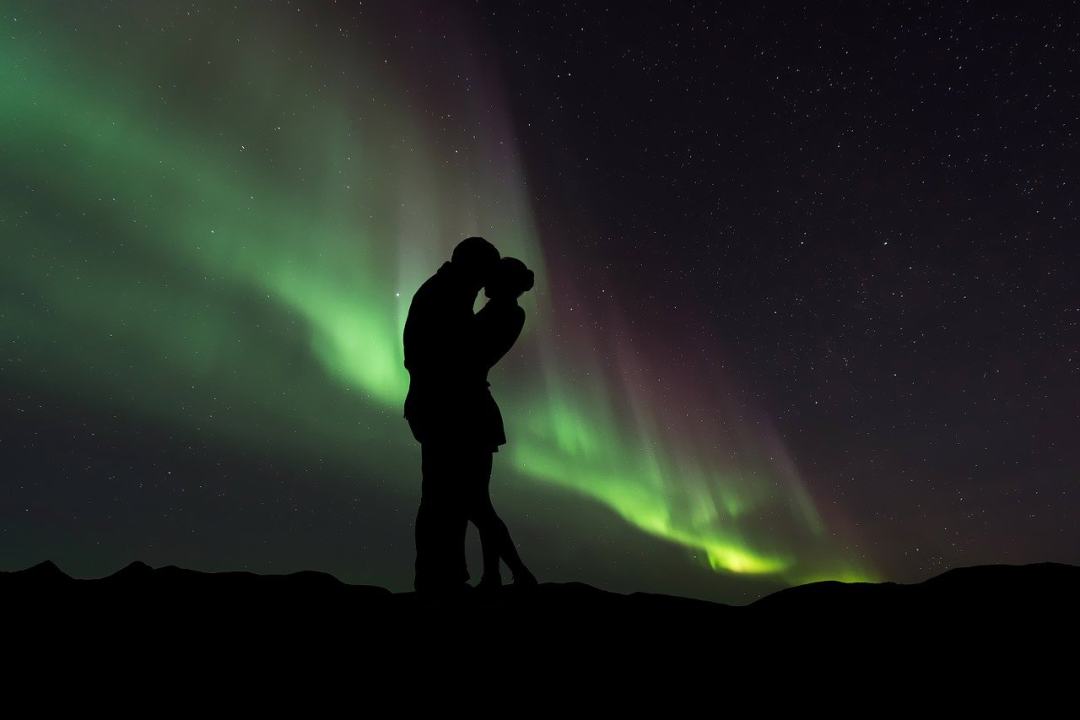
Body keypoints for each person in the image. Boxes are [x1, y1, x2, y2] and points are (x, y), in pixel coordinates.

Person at [403, 236, 500, 593]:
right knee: (444, 496)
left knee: (446, 495)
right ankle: (438, 578)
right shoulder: (446, 294)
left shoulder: (448, 291)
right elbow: (441, 355)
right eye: (487, 270)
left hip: (438, 405)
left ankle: (442, 575)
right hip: (443, 407)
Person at [467, 257, 538, 589]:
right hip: (477, 408)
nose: (485, 284)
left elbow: (468, 348)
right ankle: (495, 575)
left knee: (476, 503)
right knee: (479, 500)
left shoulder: (505, 313)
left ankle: (518, 572)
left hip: (472, 409)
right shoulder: (508, 312)